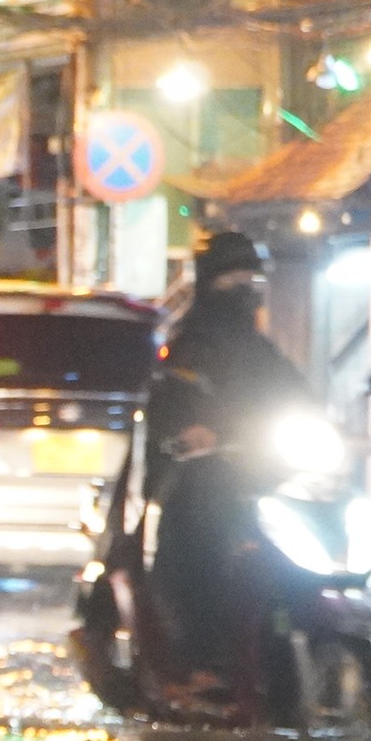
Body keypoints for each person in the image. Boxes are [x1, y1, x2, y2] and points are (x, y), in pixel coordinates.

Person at [145, 230, 310, 676]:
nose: (241, 290)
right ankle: (198, 662)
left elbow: (295, 395)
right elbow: (168, 407)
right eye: (231, 280)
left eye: (249, 280)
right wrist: (191, 435)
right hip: (202, 480)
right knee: (202, 551)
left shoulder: (261, 352)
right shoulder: (187, 347)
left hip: (261, 477)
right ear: (210, 283)